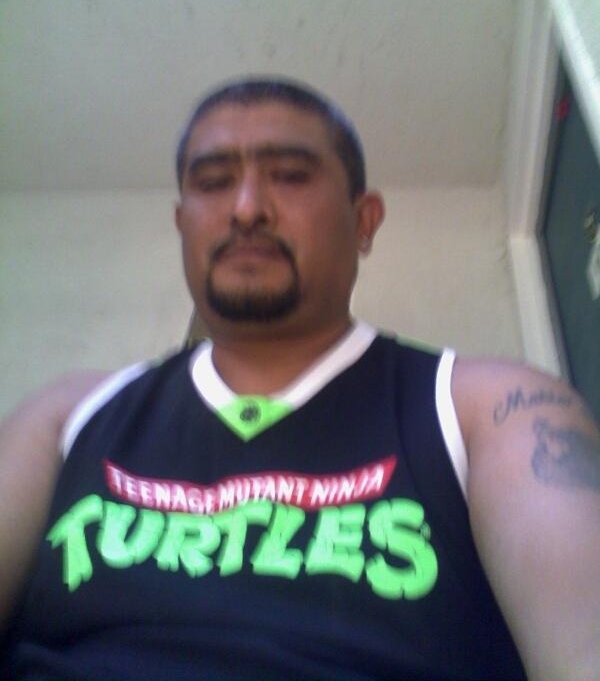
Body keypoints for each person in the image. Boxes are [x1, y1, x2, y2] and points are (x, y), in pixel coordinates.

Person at [1, 78, 599, 681]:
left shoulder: (491, 408)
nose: (246, 209)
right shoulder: (69, 415)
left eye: (289, 176)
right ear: (183, 224)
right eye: (213, 183)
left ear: (364, 222)